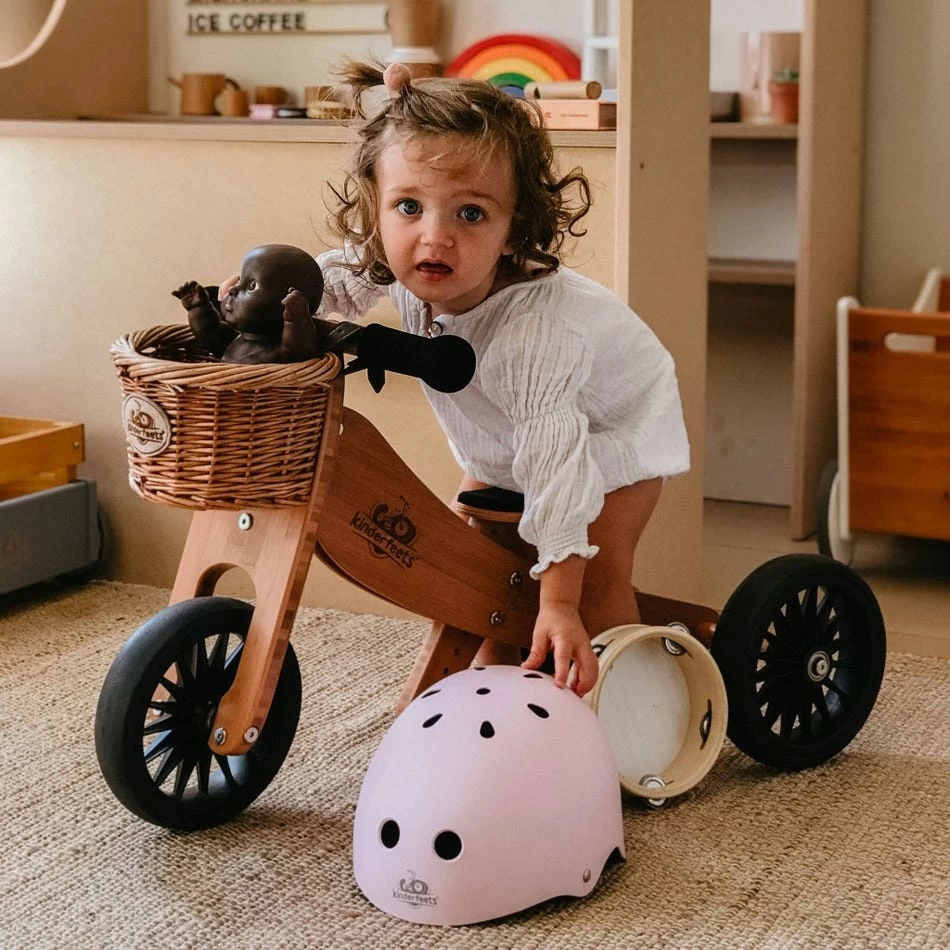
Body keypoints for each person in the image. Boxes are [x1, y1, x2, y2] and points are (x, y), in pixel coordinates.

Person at [224, 62, 690, 696]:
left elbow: (557, 463)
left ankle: (627, 714)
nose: (434, 237)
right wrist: (253, 301)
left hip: (606, 441)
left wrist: (558, 602)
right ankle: (496, 695)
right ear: (375, 207)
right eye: (408, 207)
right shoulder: (404, 263)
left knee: (595, 582)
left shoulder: (535, 333)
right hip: (503, 438)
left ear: (514, 228)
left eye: (471, 213)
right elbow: (326, 283)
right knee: (477, 581)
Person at [175, 243, 324, 364]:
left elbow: (300, 354)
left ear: (286, 306)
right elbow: (210, 332)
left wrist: (297, 321)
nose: (232, 289)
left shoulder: (282, 350)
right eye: (239, 280)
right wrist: (199, 309)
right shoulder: (238, 338)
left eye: (252, 286)